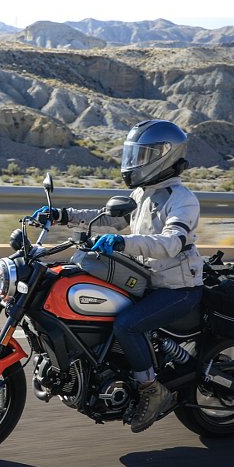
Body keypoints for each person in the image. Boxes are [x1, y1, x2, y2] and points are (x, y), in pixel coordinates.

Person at [32, 119, 203, 433]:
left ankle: (152, 391)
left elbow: (171, 243)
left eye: (144, 154)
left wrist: (124, 241)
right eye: (134, 154)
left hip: (177, 287)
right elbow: (105, 219)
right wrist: (62, 216)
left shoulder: (183, 199)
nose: (135, 162)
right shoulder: (142, 194)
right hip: (144, 279)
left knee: (127, 324)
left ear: (164, 156)